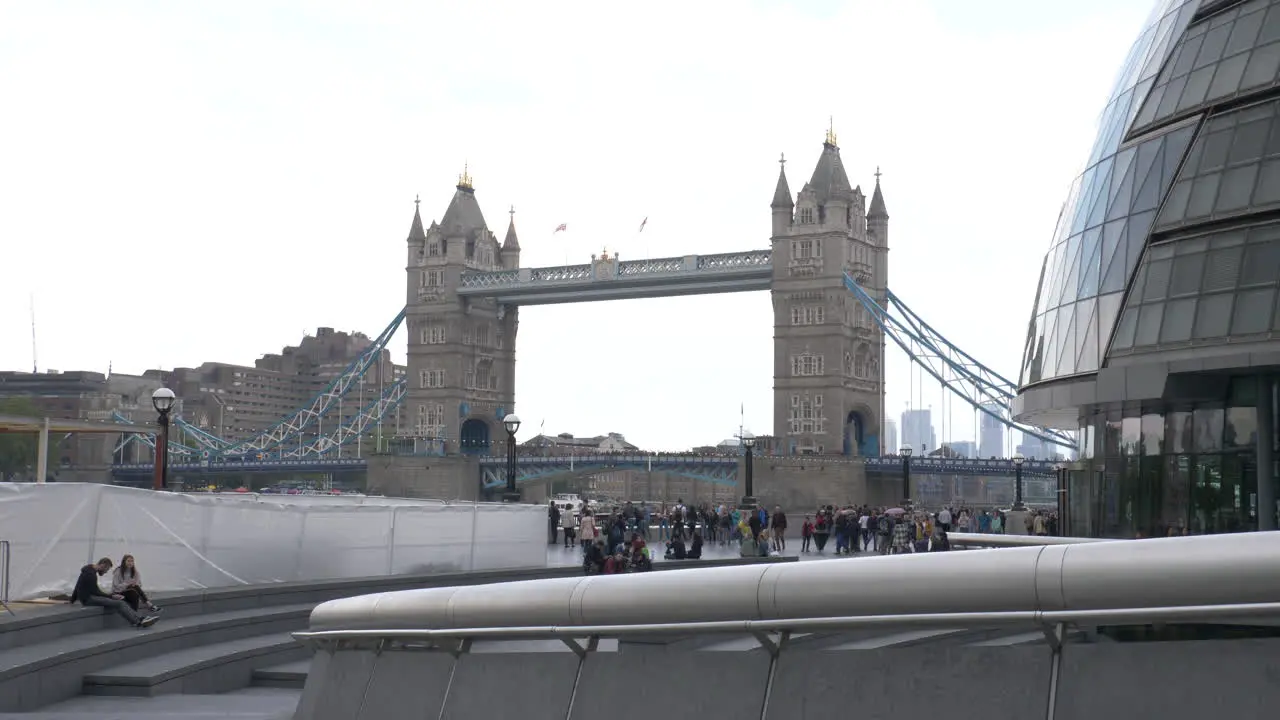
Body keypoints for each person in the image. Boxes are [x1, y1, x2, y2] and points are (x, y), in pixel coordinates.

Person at [71, 557, 158, 628]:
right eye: (107, 569)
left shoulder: (88, 570)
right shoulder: (90, 574)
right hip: (89, 599)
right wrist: (112, 596)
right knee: (119, 603)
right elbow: (96, 591)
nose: (106, 572)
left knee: (120, 603)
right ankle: (137, 621)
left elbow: (77, 585)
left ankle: (139, 619)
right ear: (103, 565)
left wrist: (72, 600)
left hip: (88, 597)